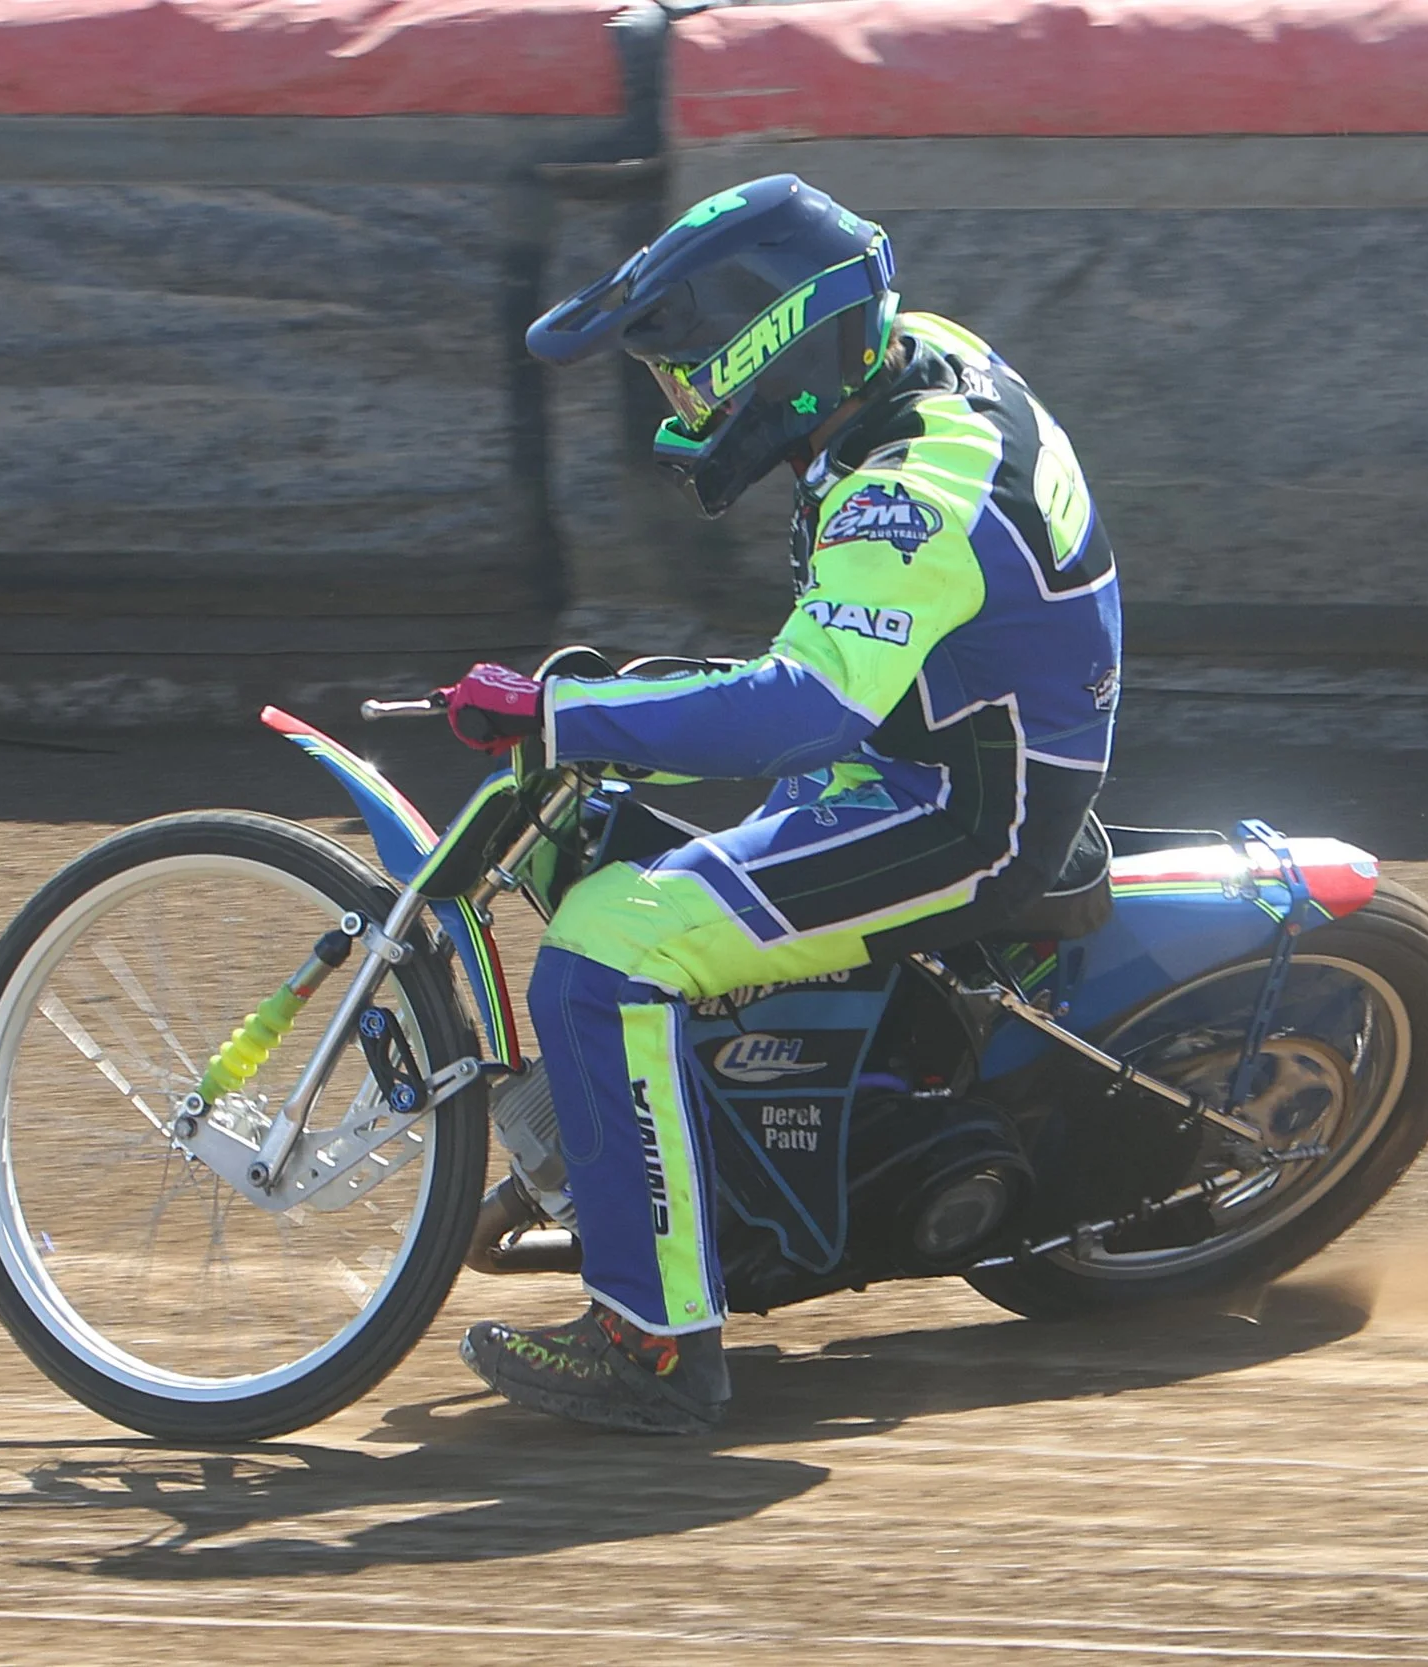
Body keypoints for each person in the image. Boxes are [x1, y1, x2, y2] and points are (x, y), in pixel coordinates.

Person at [442, 174, 1122, 1434]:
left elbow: (800, 709)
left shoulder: (908, 491)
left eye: (696, 378)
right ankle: (677, 1169)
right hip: (928, 727)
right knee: (597, 827)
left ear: (791, 357)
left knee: (598, 956)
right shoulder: (913, 359)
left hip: (959, 803)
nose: (683, 407)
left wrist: (560, 716)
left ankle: (654, 1346)